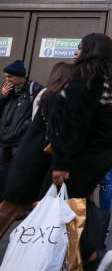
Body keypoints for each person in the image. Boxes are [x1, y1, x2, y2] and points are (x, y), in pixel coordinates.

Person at [48, 33, 112, 271]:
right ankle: (84, 256)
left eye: (80, 47)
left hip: (82, 153)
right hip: (103, 153)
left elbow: (74, 119)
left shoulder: (86, 75)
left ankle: (92, 254)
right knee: (78, 200)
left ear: (90, 50)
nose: (77, 52)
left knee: (68, 203)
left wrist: (62, 161)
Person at [0, 62, 73, 238]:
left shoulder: (43, 93)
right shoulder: (58, 97)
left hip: (28, 151)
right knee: (29, 204)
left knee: (13, 203)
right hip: (39, 156)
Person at [0, 60, 43, 175]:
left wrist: (24, 128)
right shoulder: (9, 91)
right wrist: (3, 97)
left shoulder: (34, 89)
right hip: (4, 142)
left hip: (19, 142)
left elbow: (40, 113)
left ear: (20, 76)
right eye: (6, 76)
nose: (7, 79)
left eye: (10, 76)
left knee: (18, 174)